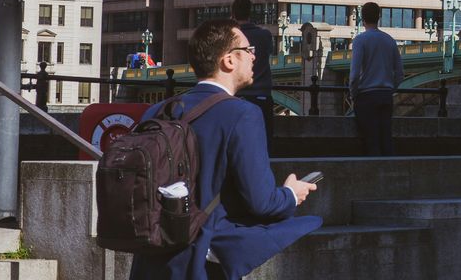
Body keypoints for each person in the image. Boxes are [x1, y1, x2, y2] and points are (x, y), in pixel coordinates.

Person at [128, 18, 320, 280]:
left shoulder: (157, 111)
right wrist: (290, 194)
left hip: (150, 259)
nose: (255, 57)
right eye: (249, 51)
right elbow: (261, 202)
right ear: (229, 60)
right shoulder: (243, 115)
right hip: (201, 262)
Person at [349, 2, 404, 156]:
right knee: (386, 140)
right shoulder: (389, 40)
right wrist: (390, 89)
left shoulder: (360, 40)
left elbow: (354, 75)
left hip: (366, 97)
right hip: (386, 96)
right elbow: (400, 73)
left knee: (370, 142)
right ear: (379, 17)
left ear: (362, 18)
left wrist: (353, 95)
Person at [232, 0, 275, 151]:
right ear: (250, 12)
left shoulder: (230, 37)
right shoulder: (264, 35)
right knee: (264, 145)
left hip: (237, 96)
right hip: (262, 95)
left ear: (233, 13)